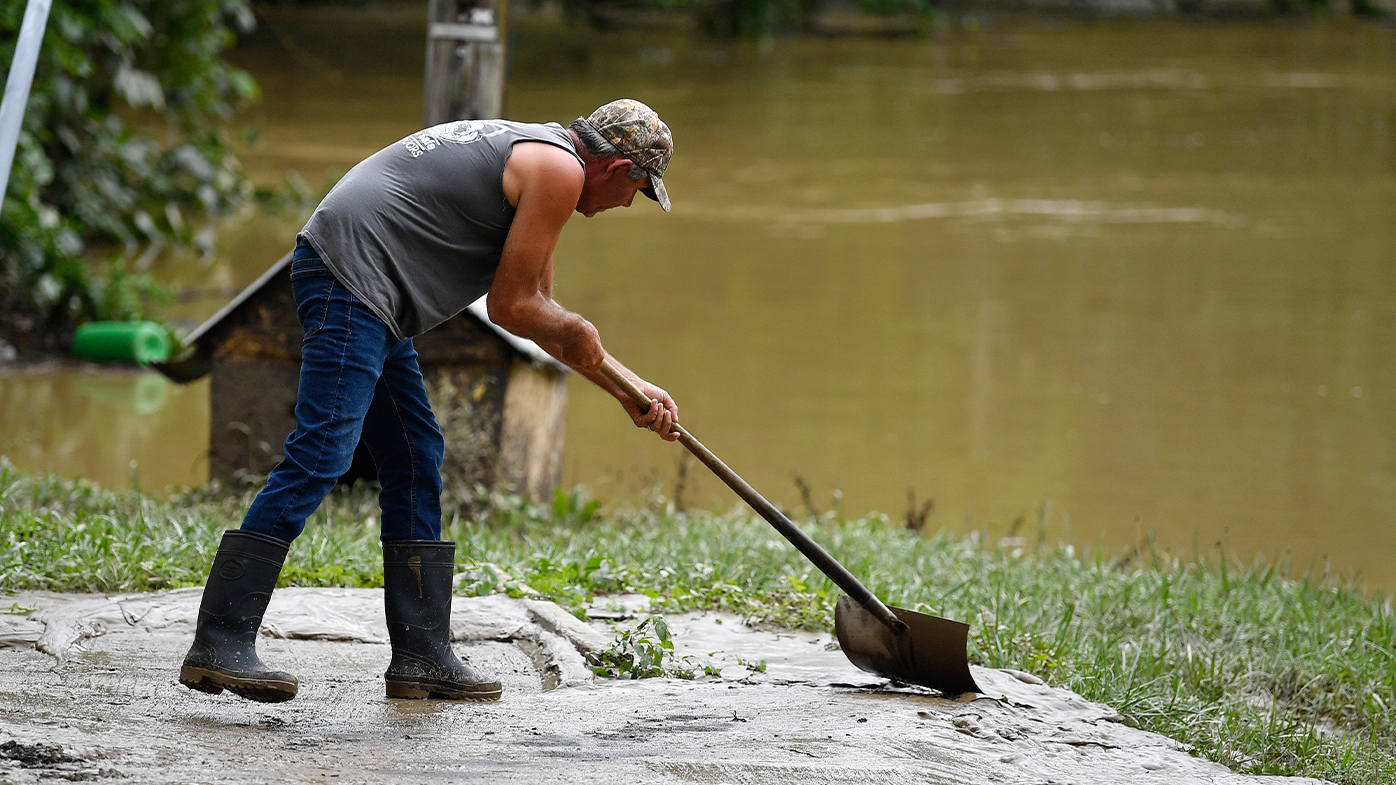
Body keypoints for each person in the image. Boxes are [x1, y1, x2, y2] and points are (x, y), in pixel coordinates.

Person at [178, 99, 680, 704]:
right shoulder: (560, 170)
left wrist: (630, 389)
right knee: (323, 451)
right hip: (352, 276)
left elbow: (539, 314)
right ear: (618, 167)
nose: (630, 204)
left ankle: (423, 657)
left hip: (369, 286)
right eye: (640, 190)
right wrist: (587, 338)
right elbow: (512, 308)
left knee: (415, 453)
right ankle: (220, 639)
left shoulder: (548, 156)